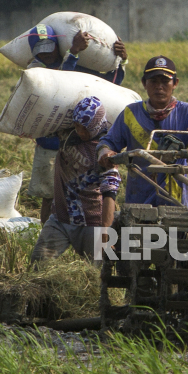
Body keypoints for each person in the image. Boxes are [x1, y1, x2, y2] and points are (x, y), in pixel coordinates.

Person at [24, 23, 128, 223]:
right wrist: (73, 52)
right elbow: (63, 83)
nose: (46, 55)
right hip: (50, 144)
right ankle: (49, 230)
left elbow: (108, 86)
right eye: (41, 52)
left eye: (50, 49)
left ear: (57, 45)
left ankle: (90, 231)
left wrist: (121, 61)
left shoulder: (80, 65)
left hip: (82, 144)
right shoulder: (36, 70)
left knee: (90, 189)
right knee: (50, 194)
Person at [97, 56, 188, 207]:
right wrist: (105, 151)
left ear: (175, 83)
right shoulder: (131, 114)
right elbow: (108, 141)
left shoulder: (187, 112)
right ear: (144, 83)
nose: (159, 87)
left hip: (174, 200)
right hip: (139, 199)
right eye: (153, 81)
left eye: (165, 81)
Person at [30, 97, 121, 263]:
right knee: (38, 262)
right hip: (60, 218)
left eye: (85, 128)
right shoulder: (67, 135)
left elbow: (110, 193)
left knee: (97, 274)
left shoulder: (104, 152)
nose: (80, 132)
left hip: (92, 222)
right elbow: (42, 127)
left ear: (96, 125)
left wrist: (106, 230)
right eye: (77, 126)